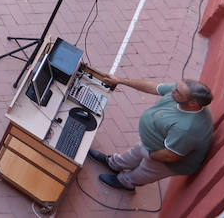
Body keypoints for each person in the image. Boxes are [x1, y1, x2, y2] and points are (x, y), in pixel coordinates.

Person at [84, 73, 215, 191]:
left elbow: (170, 156)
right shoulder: (181, 94)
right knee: (135, 152)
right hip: (159, 142)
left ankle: (125, 182)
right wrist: (121, 81)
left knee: (145, 170)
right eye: (176, 86)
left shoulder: (187, 129)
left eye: (178, 91)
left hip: (168, 159)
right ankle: (114, 163)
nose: (173, 90)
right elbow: (153, 87)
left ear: (192, 103)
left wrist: (150, 155)